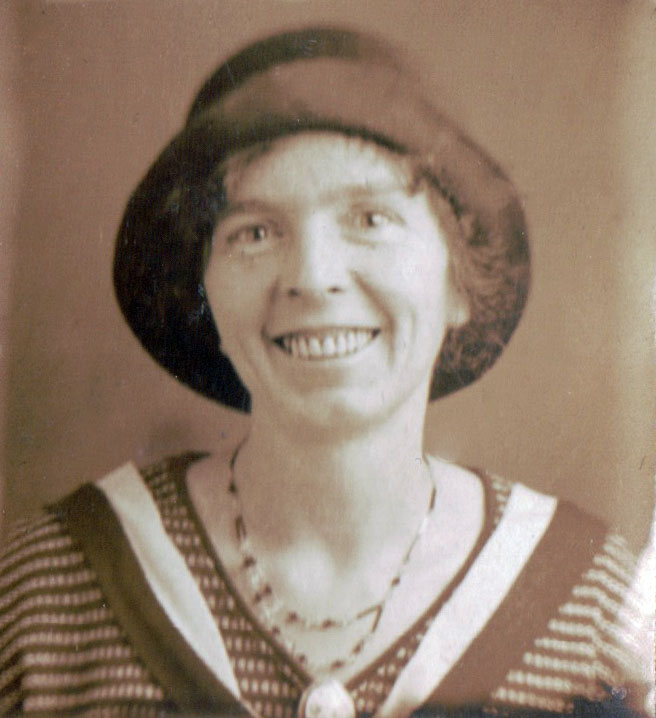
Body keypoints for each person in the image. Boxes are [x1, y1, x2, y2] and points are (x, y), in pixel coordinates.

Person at [0, 27, 649, 718]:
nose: (312, 277)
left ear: (459, 280)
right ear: (204, 294)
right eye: (254, 232)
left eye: (370, 218)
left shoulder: (601, 612)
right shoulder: (48, 596)